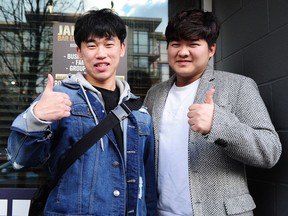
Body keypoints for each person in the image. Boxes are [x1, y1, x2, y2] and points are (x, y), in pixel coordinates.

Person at [7, 8, 157, 215]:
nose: (101, 53)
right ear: (79, 51)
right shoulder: (59, 99)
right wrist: (36, 118)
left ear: (122, 48)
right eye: (91, 45)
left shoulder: (140, 112)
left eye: (109, 44)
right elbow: (19, 159)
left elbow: (146, 182)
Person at [144, 9, 282, 216]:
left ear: (211, 49)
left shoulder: (238, 86)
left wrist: (218, 125)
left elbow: (269, 151)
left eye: (193, 44)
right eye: (175, 44)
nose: (182, 52)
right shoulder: (155, 94)